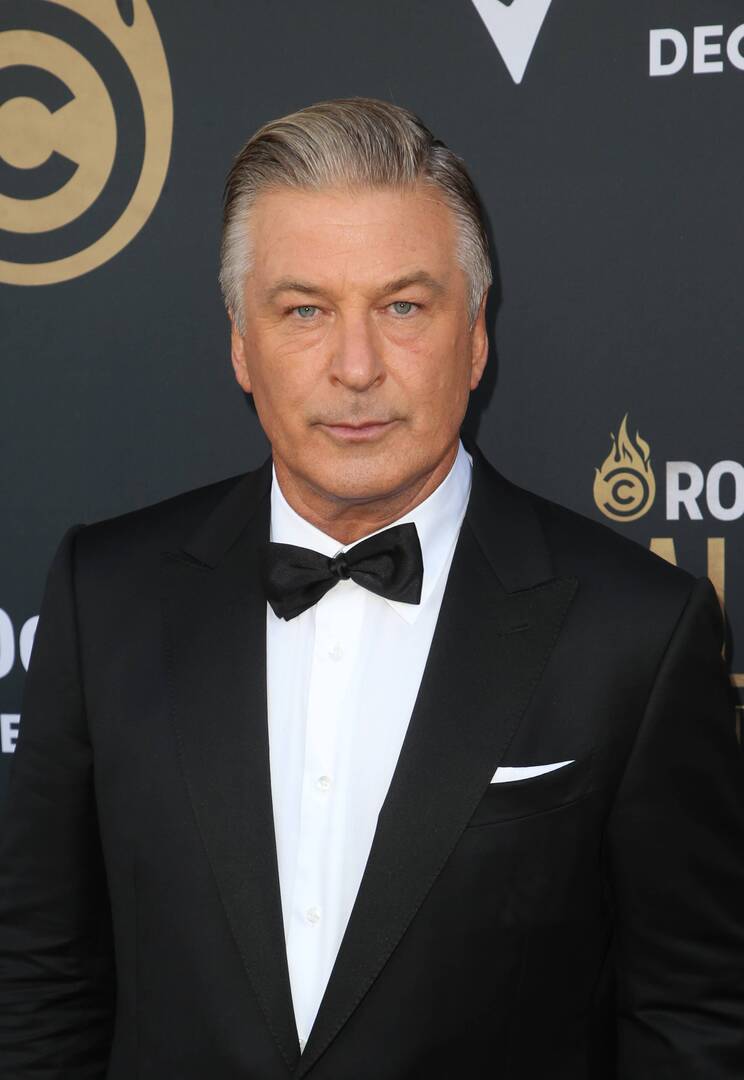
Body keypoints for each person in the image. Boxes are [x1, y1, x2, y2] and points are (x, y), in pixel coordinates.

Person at [0, 97, 742, 1080]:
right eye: (304, 310)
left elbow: (691, 1018)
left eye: (403, 308)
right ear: (240, 345)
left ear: (475, 338)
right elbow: (42, 981)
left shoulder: (637, 632)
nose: (355, 368)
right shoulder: (106, 597)